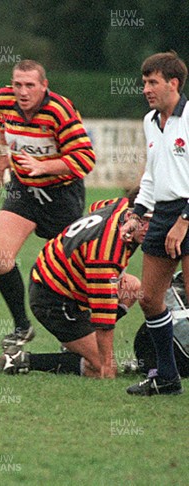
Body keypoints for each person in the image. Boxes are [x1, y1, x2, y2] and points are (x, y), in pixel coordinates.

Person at [0, 59, 96, 350]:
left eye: (30, 85)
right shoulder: (5, 100)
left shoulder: (59, 111)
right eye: (17, 84)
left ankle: (77, 332)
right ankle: (22, 326)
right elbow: (2, 127)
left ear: (44, 86)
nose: (22, 92)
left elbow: (85, 160)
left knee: (72, 272)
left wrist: (44, 165)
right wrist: (1, 157)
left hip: (62, 196)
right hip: (23, 190)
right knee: (0, 260)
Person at [0, 196, 148, 378]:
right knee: (99, 368)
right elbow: (104, 318)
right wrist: (107, 363)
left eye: (154, 220)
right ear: (130, 216)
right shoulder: (105, 255)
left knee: (133, 287)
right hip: (52, 299)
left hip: (65, 280)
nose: (149, 228)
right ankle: (19, 360)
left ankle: (78, 342)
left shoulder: (119, 205)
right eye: (144, 221)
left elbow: (97, 205)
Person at [121, 51, 188, 396]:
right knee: (149, 298)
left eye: (153, 82)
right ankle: (167, 377)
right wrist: (137, 213)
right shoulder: (150, 121)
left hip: (188, 212)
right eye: (144, 82)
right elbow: (152, 174)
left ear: (173, 83)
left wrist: (184, 221)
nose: (146, 88)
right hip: (162, 213)